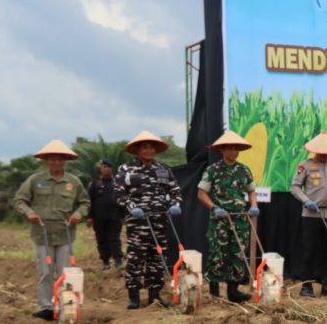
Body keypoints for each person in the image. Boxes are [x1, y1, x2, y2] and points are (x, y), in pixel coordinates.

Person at [13, 140, 90, 321]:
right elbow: (19, 200)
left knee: (66, 273)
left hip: (65, 234)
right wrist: (29, 213)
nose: (56, 162)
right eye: (53, 159)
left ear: (65, 161)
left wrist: (78, 214)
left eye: (60, 159)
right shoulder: (35, 180)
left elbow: (85, 202)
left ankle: (66, 307)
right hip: (42, 234)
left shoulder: (73, 182)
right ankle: (46, 306)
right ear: (46, 160)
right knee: (45, 273)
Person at [114, 131, 182, 309]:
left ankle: (155, 294)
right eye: (144, 147)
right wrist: (131, 207)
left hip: (160, 220)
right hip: (138, 223)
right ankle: (134, 297)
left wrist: (175, 204)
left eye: (152, 147)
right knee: (136, 258)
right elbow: (119, 192)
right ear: (137, 150)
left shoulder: (163, 169)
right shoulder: (126, 169)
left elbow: (175, 190)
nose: (149, 151)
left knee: (157, 258)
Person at [196, 131, 259, 302]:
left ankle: (233, 292)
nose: (233, 152)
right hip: (219, 221)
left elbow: (251, 190)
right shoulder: (213, 170)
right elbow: (201, 194)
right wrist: (214, 207)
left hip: (240, 220)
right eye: (229, 148)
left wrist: (254, 205)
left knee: (238, 254)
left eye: (235, 149)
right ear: (222, 150)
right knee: (217, 255)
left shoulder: (244, 170)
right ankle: (214, 293)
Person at [291, 132, 327, 298]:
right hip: (311, 215)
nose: (325, 154)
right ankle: (306, 285)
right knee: (311, 250)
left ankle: (326, 283)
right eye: (322, 152)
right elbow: (295, 187)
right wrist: (306, 200)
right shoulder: (306, 165)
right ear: (315, 151)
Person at [86, 158, 124, 270]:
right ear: (101, 169)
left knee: (114, 239)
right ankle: (105, 261)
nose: (106, 169)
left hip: (114, 217)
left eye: (108, 167)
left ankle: (118, 260)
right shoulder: (94, 183)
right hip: (99, 217)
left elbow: (122, 199)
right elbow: (89, 201)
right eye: (104, 167)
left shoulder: (117, 183)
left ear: (111, 169)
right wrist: (89, 216)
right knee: (101, 240)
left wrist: (123, 215)